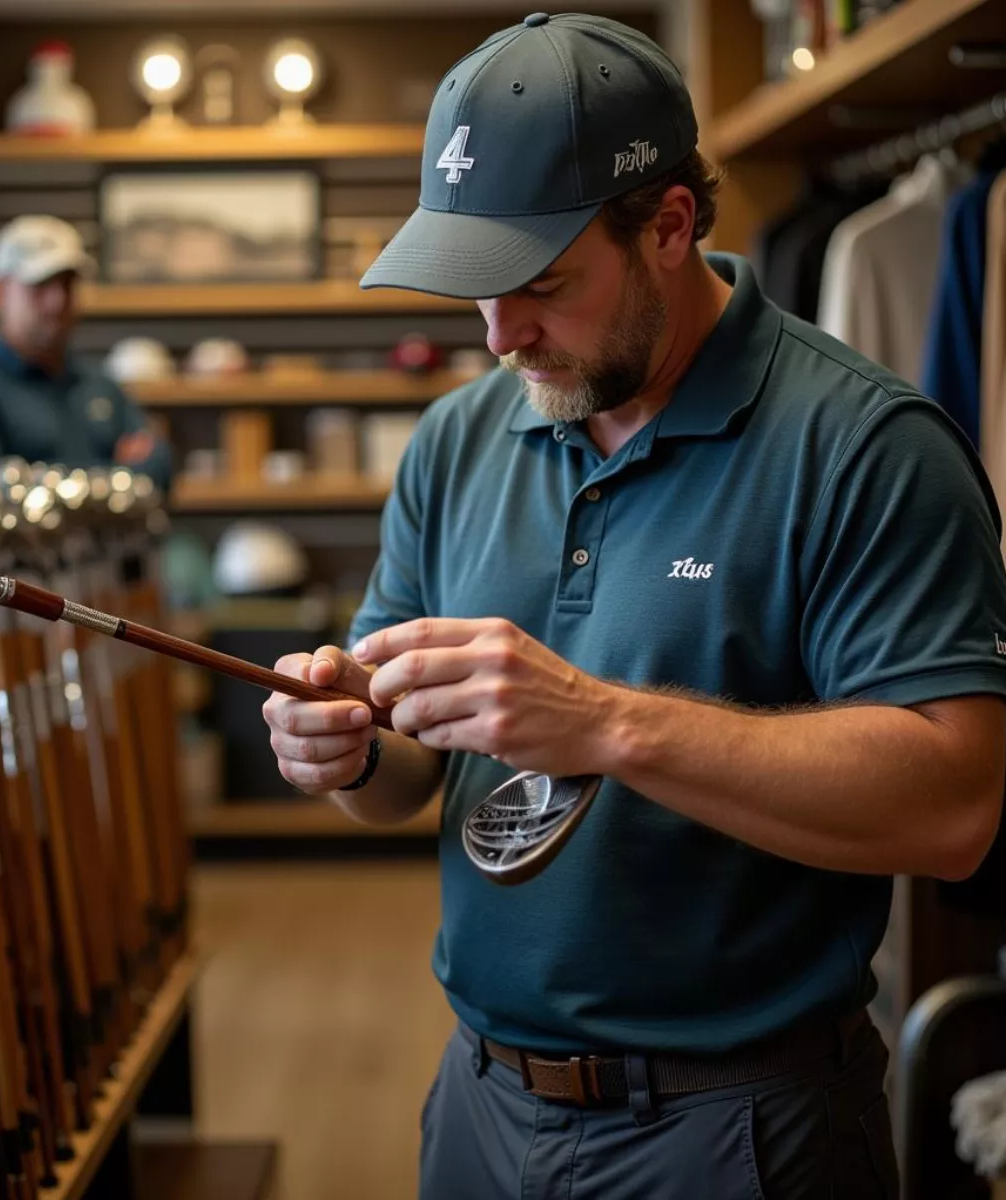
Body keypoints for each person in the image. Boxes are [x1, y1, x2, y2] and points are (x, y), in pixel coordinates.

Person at [261, 12, 1006, 1200]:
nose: (500, 336)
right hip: (479, 1105)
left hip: (741, 1130)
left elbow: (958, 803)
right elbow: (408, 779)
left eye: (540, 285)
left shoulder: (868, 447)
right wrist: (346, 750)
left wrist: (606, 723)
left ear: (669, 224)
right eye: (472, 293)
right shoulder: (458, 438)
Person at [0, 215, 172, 488]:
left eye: (67, 284)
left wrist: (33, 483)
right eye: (39, 285)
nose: (58, 301)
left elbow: (159, 467)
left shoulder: (101, 384)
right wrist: (114, 475)